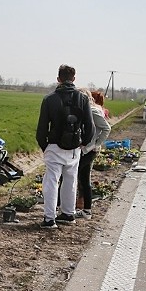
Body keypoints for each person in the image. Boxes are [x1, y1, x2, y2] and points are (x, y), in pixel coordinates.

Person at [35, 64, 95, 229]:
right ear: (74, 78)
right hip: (74, 148)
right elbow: (90, 128)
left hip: (53, 146)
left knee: (51, 182)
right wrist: (83, 143)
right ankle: (68, 214)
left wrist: (45, 146)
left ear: (58, 79)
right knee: (71, 180)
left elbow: (41, 129)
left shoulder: (49, 99)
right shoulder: (83, 99)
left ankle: (49, 219)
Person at [75, 89, 111, 218]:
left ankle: (69, 208)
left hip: (88, 150)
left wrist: (96, 144)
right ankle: (86, 211)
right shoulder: (91, 109)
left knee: (73, 176)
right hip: (88, 149)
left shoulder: (92, 111)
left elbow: (106, 128)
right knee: (84, 179)